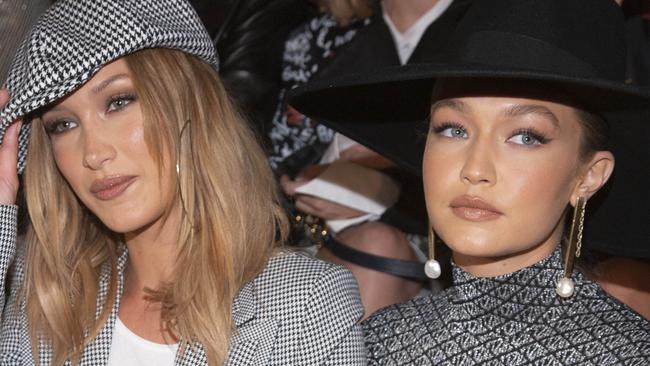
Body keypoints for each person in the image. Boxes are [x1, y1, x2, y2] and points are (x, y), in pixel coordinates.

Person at [0, 0, 366, 364]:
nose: (93, 154)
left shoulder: (304, 303)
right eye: (62, 125)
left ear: (191, 106)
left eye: (119, 102)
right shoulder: (44, 298)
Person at [289, 0, 650, 364]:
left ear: (589, 176)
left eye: (526, 137)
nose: (475, 169)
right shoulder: (373, 339)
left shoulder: (626, 354)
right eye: (453, 129)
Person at [272, 0, 472, 318]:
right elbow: (275, 159)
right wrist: (304, 187)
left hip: (440, 247)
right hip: (307, 232)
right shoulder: (317, 36)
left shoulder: (487, 32)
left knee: (376, 245)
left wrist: (388, 198)